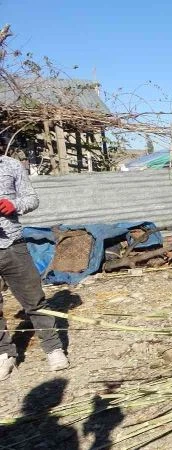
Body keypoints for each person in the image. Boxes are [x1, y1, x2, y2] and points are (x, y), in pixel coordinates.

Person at [0, 155, 69, 380]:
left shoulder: (10, 165)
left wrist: (14, 205)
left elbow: (32, 199)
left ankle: (53, 348)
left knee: (34, 299)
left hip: (12, 244)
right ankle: (4, 353)